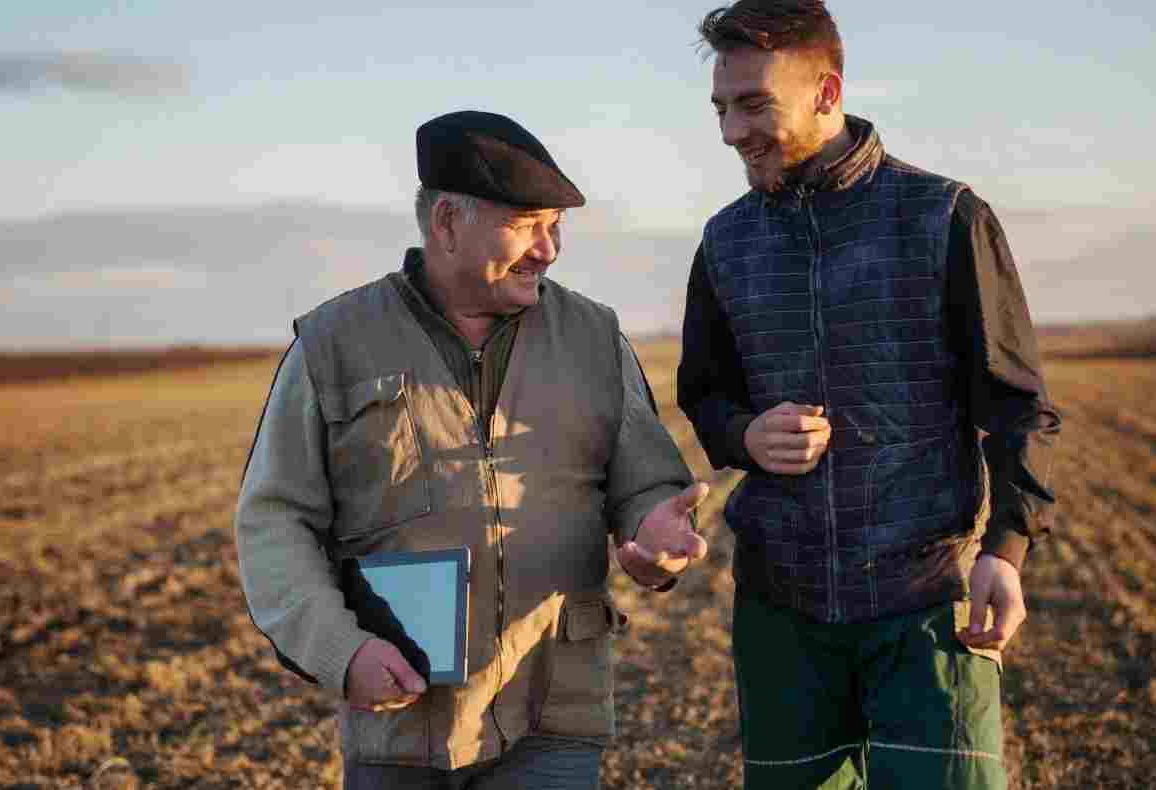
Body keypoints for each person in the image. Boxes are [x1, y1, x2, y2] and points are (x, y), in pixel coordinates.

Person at [236, 109, 708, 789]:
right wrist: (341, 651)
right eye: (526, 226)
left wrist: (656, 529)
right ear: (448, 223)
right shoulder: (332, 343)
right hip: (400, 716)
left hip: (554, 708)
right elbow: (273, 521)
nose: (549, 250)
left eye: (556, 227)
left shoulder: (595, 337)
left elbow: (646, 484)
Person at [676, 2, 1062, 788]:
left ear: (827, 92)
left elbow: (1016, 403)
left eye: (753, 104)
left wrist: (1008, 548)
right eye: (721, 107)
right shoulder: (726, 241)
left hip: (926, 603)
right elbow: (705, 396)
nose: (730, 131)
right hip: (781, 613)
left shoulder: (945, 216)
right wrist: (747, 436)